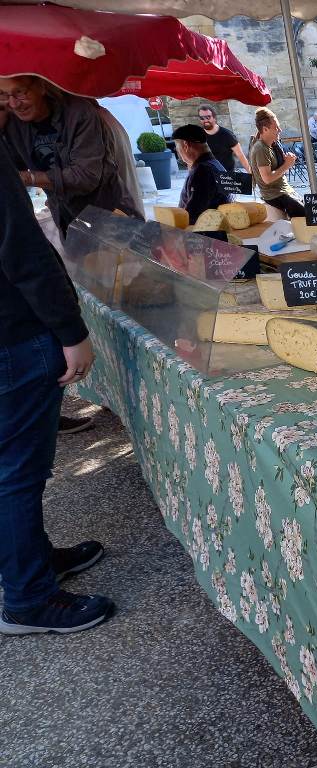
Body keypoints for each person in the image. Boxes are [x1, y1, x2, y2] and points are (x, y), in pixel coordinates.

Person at [0, 140, 114, 636]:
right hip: (13, 333)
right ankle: (28, 597)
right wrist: (71, 332)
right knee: (17, 474)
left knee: (12, 470)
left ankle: (33, 562)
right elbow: (21, 247)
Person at [0, 75, 142, 237]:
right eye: (4, 95)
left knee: (125, 262)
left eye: (20, 92)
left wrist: (30, 178)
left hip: (111, 218)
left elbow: (86, 176)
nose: (14, 104)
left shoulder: (79, 113)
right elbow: (9, 171)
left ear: (41, 86)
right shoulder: (14, 123)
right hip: (68, 222)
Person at [249, 107, 305, 217]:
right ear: (265, 129)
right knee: (307, 217)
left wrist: (286, 160)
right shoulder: (261, 148)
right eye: (276, 127)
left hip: (283, 190)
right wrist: (287, 165)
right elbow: (267, 178)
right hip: (274, 195)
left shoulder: (271, 145)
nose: (280, 130)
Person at [171, 124, 232, 225]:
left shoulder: (202, 171)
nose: (178, 151)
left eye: (177, 146)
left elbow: (193, 214)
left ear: (186, 145)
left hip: (205, 235)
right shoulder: (215, 164)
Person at [197, 105, 251, 174]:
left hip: (226, 177)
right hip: (208, 177)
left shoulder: (227, 135)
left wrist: (251, 175)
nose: (205, 120)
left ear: (214, 118)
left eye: (208, 117)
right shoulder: (198, 136)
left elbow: (241, 156)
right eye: (202, 118)